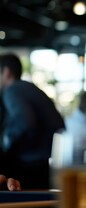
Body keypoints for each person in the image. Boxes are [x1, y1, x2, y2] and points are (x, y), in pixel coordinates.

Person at [0, 53, 65, 189]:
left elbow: (24, 122)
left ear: (6, 72)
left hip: (31, 165)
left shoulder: (12, 91)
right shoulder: (29, 88)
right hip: (46, 161)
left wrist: (6, 142)